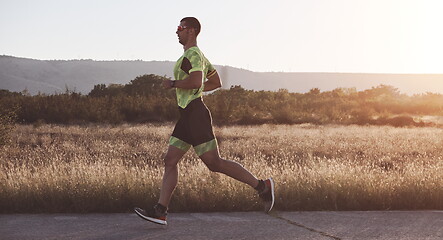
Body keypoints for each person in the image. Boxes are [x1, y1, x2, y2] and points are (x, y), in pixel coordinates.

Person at [134, 17, 274, 225]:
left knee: (214, 163)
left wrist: (173, 83)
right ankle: (160, 211)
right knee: (170, 160)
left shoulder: (193, 54)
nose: (177, 32)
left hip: (195, 114)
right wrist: (194, 87)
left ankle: (263, 187)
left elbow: (196, 81)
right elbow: (215, 82)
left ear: (191, 31)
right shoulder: (198, 56)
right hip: (187, 115)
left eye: (180, 28)